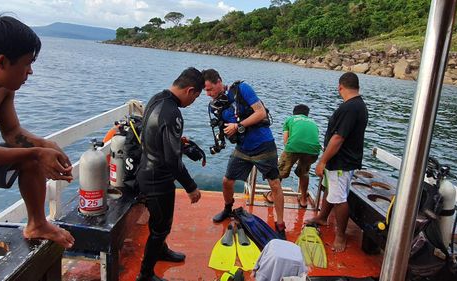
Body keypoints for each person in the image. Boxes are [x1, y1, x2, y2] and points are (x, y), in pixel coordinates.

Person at [0, 14, 75, 281]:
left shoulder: (3, 88)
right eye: (28, 63)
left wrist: (44, 146)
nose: (30, 71)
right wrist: (35, 152)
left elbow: (12, 133)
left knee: (31, 160)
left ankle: (37, 224)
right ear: (1, 62)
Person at [136, 67, 203, 281]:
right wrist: (191, 187)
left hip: (145, 171)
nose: (193, 103)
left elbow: (155, 138)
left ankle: (162, 251)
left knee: (159, 222)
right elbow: (172, 160)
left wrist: (177, 142)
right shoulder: (172, 112)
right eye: (196, 97)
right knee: (160, 226)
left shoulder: (158, 99)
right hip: (158, 179)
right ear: (190, 90)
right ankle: (145, 275)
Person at [202, 69, 286, 238]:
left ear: (219, 81)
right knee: (227, 181)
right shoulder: (215, 107)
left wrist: (238, 126)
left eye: (210, 89)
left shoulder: (242, 89)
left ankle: (280, 224)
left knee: (275, 184)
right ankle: (228, 208)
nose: (208, 94)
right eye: (205, 90)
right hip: (242, 148)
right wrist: (225, 134)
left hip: (263, 144)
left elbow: (260, 112)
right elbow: (225, 129)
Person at [307, 72, 368, 252]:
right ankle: (322, 217)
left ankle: (341, 235)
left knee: (339, 198)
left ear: (340, 86)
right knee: (330, 189)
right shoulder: (359, 105)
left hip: (341, 162)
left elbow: (338, 138)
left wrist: (322, 161)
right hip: (342, 160)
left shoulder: (350, 107)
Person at [277, 104, 321, 208]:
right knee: (304, 172)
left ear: (294, 113)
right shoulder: (313, 122)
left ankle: (273, 196)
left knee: (280, 170)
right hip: (313, 150)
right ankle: (303, 199)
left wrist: (290, 157)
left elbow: (285, 141)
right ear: (307, 114)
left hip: (293, 147)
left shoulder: (290, 119)